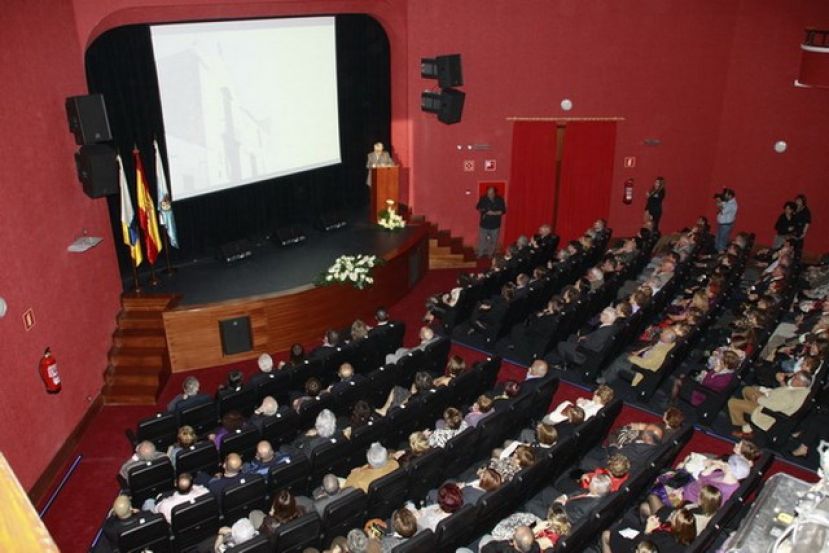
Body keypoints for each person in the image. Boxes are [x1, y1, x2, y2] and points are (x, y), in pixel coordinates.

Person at [727, 370, 812, 440]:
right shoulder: (799, 389)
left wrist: (759, 399)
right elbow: (781, 394)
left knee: (733, 403)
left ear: (802, 383)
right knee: (746, 390)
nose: (793, 378)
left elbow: (775, 407)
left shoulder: (795, 395)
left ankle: (744, 429)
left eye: (796, 378)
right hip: (768, 401)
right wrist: (764, 394)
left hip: (767, 412)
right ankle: (748, 426)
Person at [476, 186, 507, 258]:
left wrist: (493, 213)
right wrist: (483, 210)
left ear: (494, 193)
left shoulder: (500, 199)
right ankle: (480, 253)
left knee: (493, 240)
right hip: (484, 224)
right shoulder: (483, 198)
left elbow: (503, 211)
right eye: (488, 193)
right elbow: (478, 207)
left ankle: (490, 254)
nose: (489, 195)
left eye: (491, 193)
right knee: (482, 240)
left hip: (495, 225)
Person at [715, 188, 738, 252]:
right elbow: (723, 204)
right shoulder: (728, 202)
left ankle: (720, 256)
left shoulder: (732, 204)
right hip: (722, 224)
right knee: (717, 240)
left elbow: (723, 211)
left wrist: (719, 204)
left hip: (726, 226)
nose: (724, 196)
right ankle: (716, 255)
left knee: (722, 242)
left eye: (726, 195)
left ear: (730, 196)